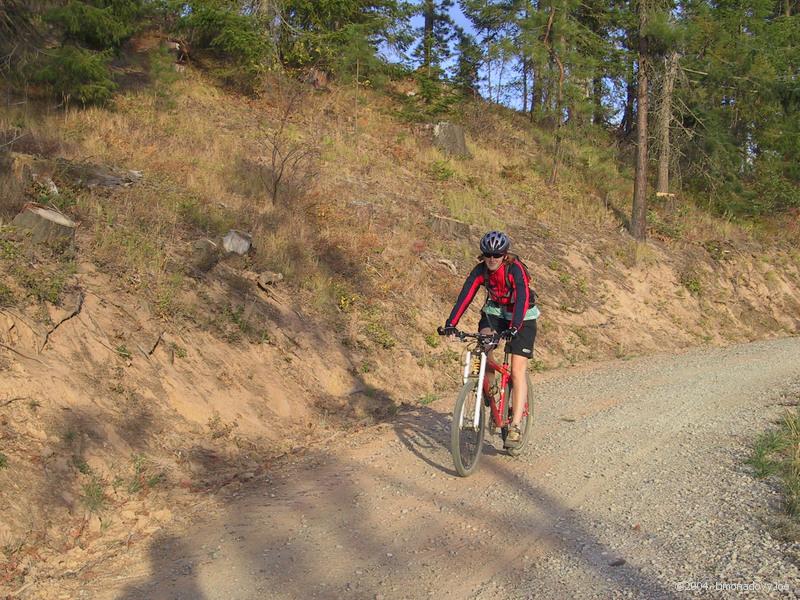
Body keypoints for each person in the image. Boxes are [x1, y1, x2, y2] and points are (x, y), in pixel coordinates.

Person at [441, 231, 539, 446]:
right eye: (488, 254)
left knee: (517, 370)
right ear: (483, 255)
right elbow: (466, 295)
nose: (492, 259)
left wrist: (514, 327)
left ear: (505, 255)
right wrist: (451, 323)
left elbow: (522, 297)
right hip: (495, 312)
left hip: (522, 315)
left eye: (497, 254)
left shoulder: (515, 269)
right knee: (483, 344)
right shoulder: (481, 270)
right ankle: (491, 386)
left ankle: (514, 427)